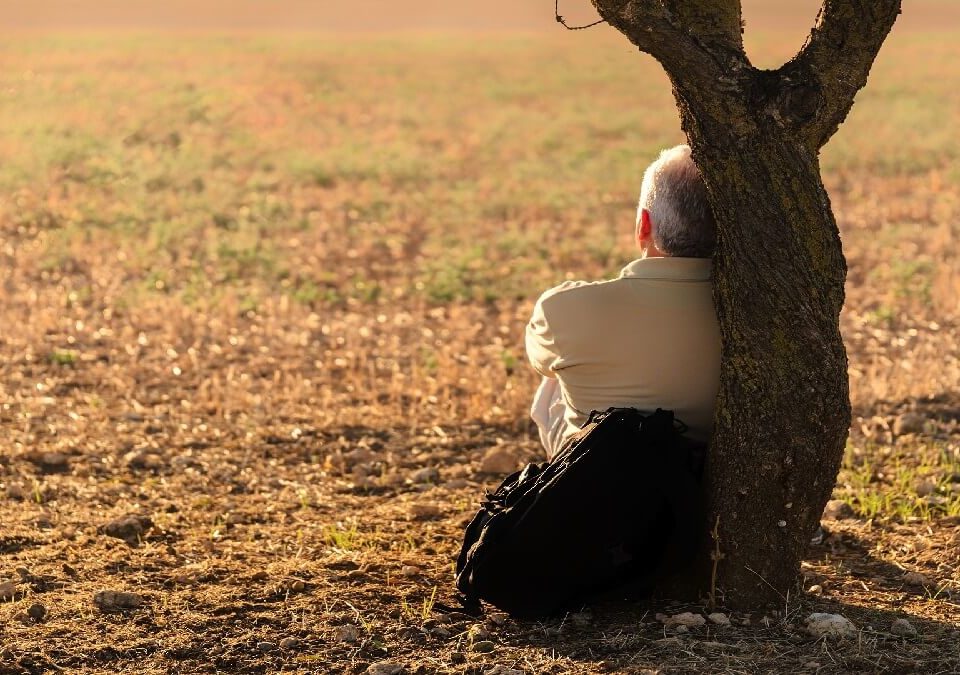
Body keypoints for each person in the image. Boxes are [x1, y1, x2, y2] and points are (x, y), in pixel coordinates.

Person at [526, 145, 721, 459]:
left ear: (643, 224)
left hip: (599, 474)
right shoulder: (755, 315)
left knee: (556, 375)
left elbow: (539, 362)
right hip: (707, 471)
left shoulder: (562, 308)